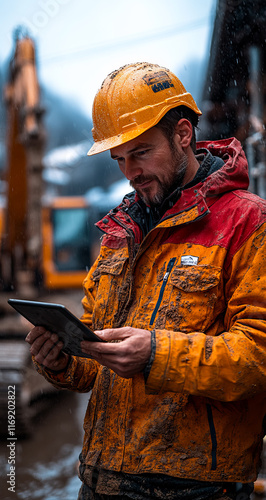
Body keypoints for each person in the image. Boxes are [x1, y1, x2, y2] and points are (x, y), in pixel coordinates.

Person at [26, 62, 266, 500]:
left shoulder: (248, 221)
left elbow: (258, 358)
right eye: (120, 159)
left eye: (140, 152)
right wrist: (61, 359)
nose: (130, 172)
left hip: (196, 489)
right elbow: (92, 365)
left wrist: (156, 354)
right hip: (99, 481)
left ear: (182, 135)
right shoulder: (120, 233)